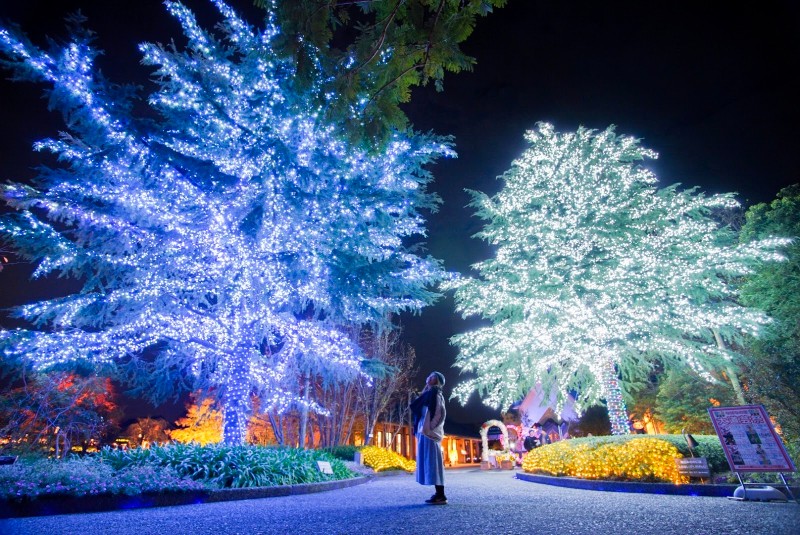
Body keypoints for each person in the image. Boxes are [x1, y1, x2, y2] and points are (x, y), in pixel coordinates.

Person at [409, 371, 447, 505]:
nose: (429, 378)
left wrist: (430, 428)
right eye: (429, 376)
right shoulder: (427, 393)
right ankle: (439, 493)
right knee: (429, 461)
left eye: (433, 377)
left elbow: (439, 413)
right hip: (424, 430)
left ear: (437, 381)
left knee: (434, 462)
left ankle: (441, 494)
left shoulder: (436, 393)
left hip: (430, 432)